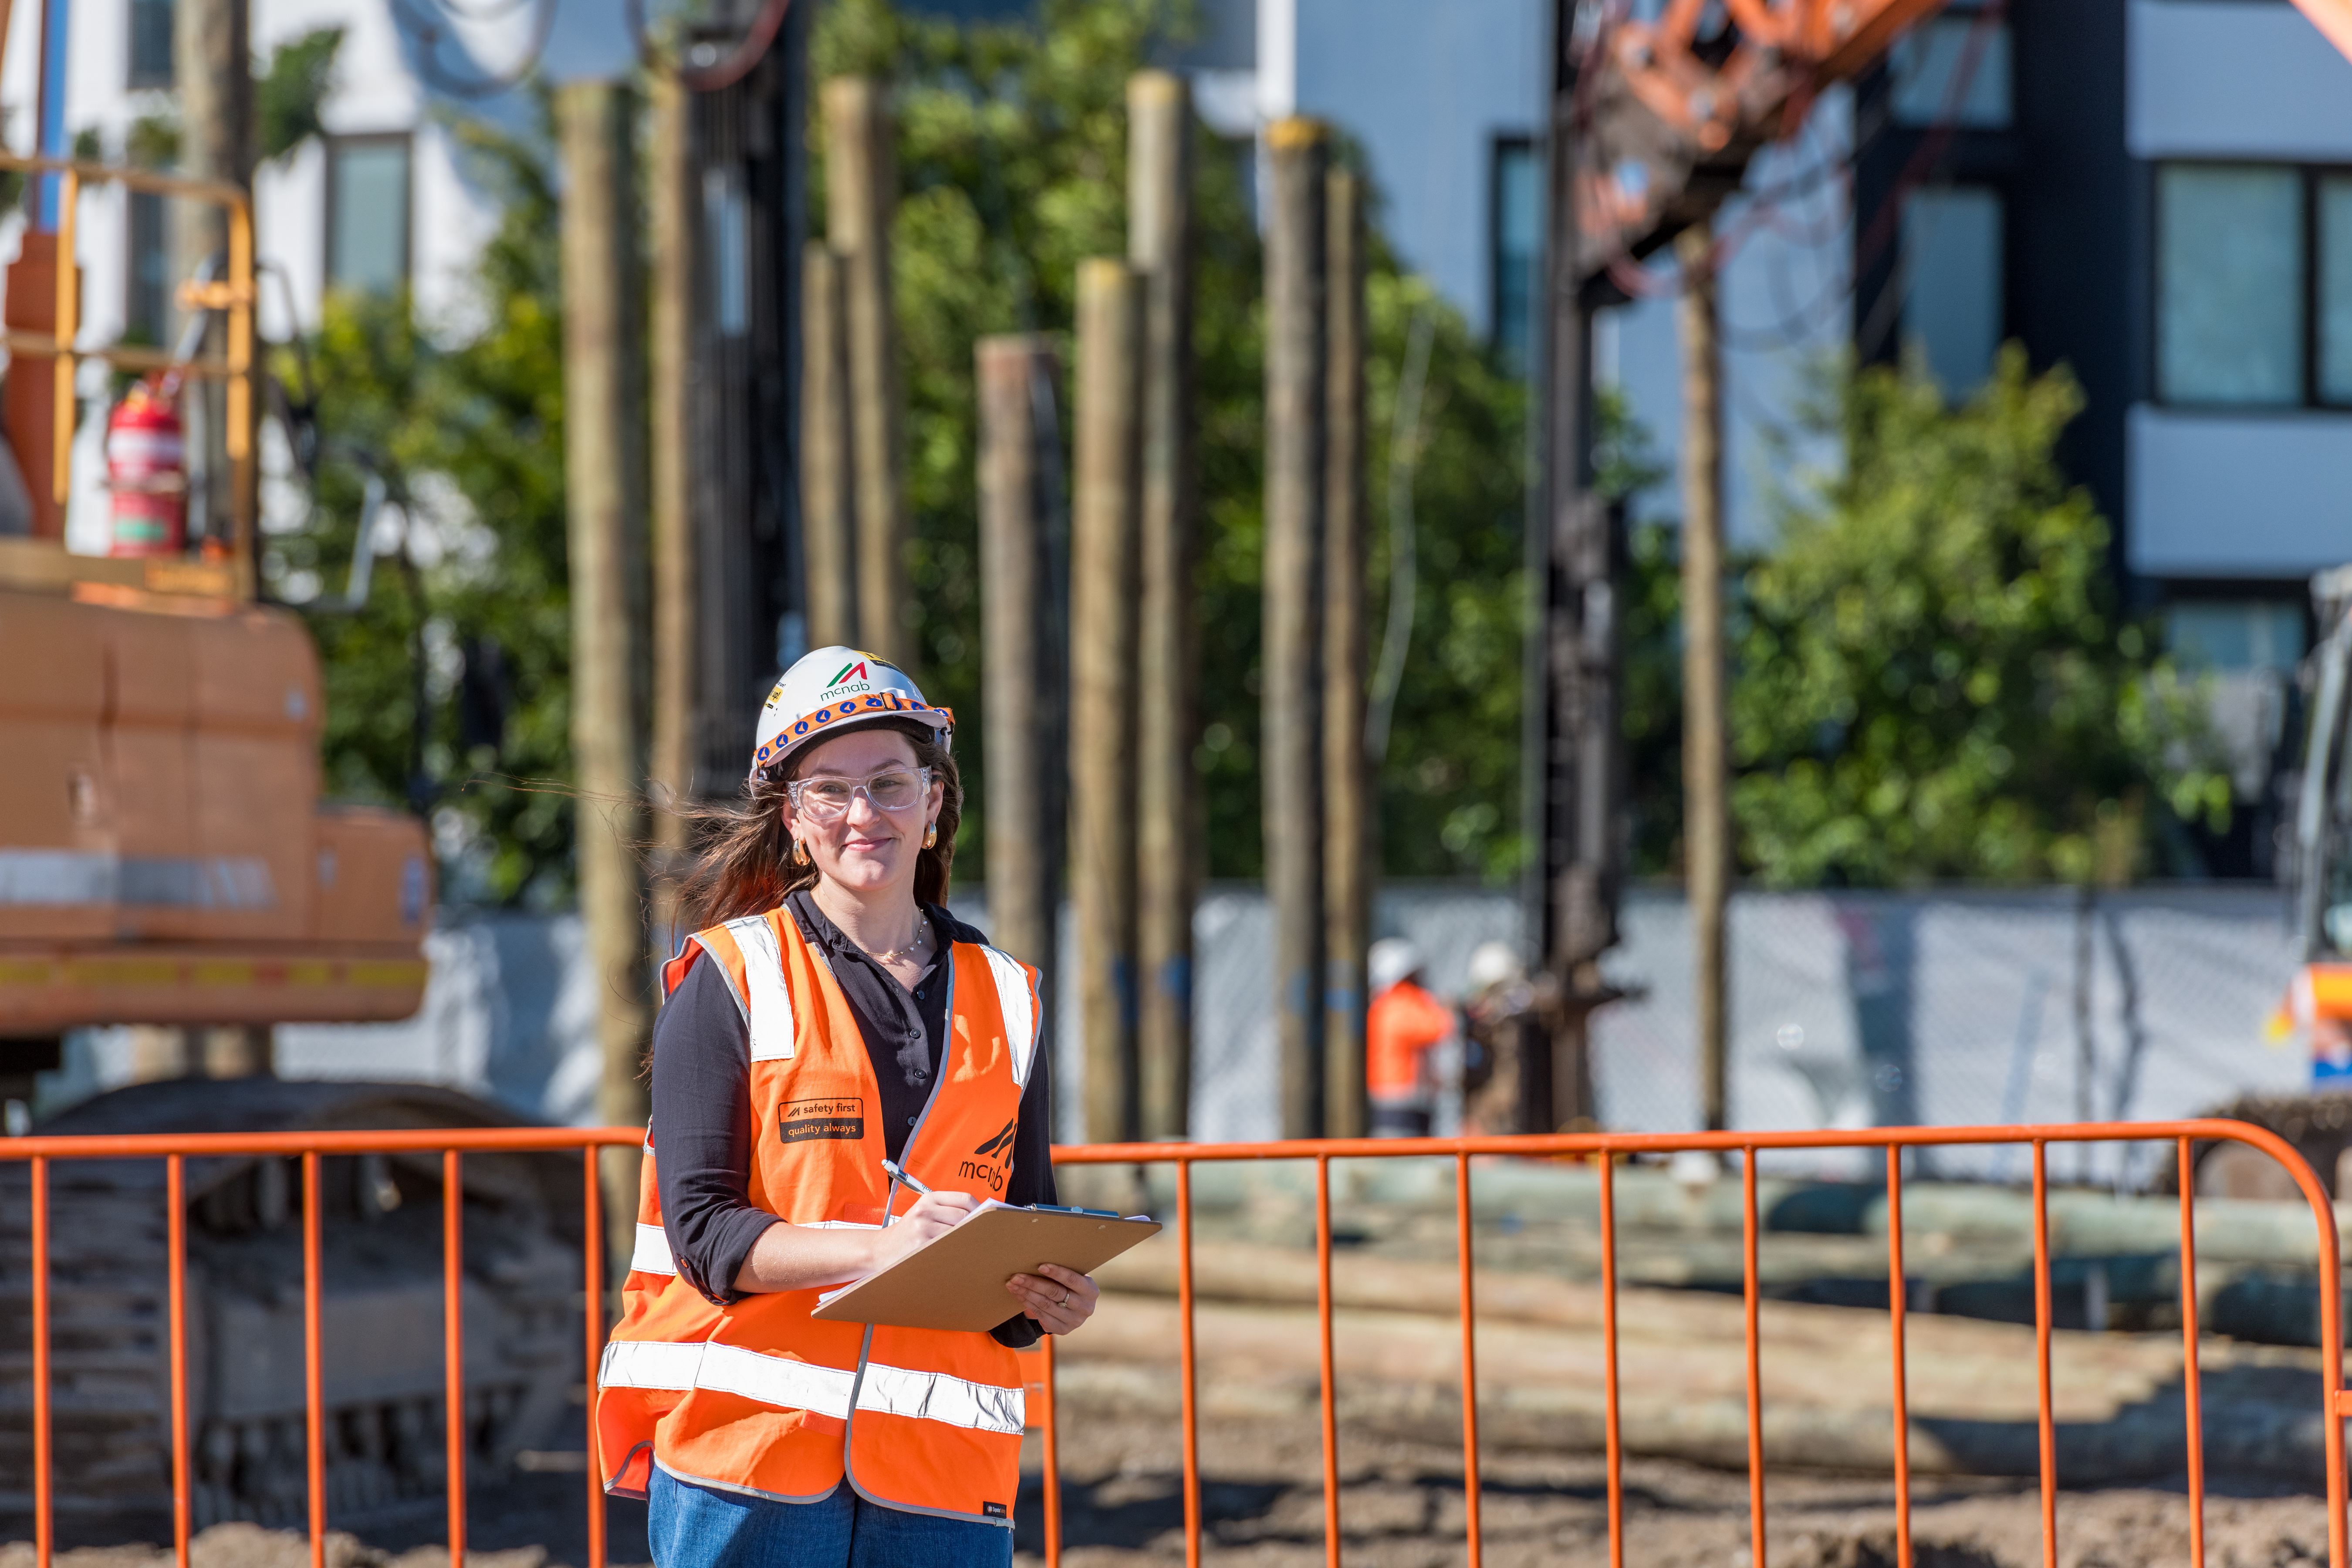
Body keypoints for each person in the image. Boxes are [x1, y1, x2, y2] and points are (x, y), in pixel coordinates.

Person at [597, 648, 1096, 1568]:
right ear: (793, 820)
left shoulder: (1012, 995)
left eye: (890, 784)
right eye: (830, 790)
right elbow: (705, 1236)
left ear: (935, 803)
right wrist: (886, 1249)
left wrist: (1047, 1297)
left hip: (942, 1481)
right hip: (752, 1465)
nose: (863, 814)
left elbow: (1020, 1227)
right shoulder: (730, 980)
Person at [1365, 937, 1453, 1137]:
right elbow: (1441, 1026)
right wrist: (1436, 1002)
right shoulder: (1400, 1002)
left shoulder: (1381, 1005)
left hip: (1391, 1100)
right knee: (1405, 1162)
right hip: (1402, 1102)